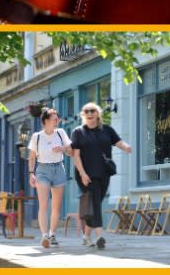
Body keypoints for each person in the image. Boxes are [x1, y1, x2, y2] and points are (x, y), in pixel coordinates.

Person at [71, 102, 133, 250]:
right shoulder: (78, 132)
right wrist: (82, 173)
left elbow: (118, 142)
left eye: (92, 111)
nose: (89, 113)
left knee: (96, 202)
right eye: (86, 111)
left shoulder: (107, 130)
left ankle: (86, 237)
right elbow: (76, 155)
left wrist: (126, 147)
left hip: (104, 172)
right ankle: (100, 236)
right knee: (96, 203)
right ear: (84, 115)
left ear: (98, 113)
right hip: (86, 174)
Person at [28, 107, 73, 249]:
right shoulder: (37, 137)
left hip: (58, 168)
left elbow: (71, 151)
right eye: (55, 119)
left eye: (58, 119)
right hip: (42, 170)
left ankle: (52, 234)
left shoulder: (61, 133)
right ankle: (44, 236)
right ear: (46, 121)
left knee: (56, 206)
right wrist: (31, 173)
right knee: (44, 204)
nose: (57, 121)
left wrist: (63, 149)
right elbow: (32, 157)